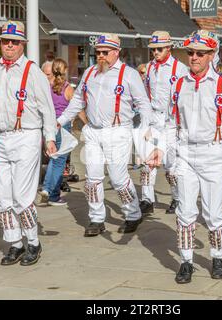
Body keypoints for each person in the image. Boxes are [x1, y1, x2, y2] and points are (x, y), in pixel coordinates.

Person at [162, 30, 222, 283]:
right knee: (185, 211)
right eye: (190, 53)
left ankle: (218, 257)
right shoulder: (178, 84)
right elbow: (169, 122)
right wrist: (163, 149)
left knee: (213, 213)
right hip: (186, 153)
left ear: (211, 55)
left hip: (213, 153)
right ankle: (186, 261)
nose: (194, 57)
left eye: (200, 53)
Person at [0, 21, 57, 266]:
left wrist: (49, 138)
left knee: (21, 195)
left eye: (14, 42)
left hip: (26, 136)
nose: (9, 46)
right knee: (4, 197)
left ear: (22, 44)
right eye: (5, 41)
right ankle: (15, 243)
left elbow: (47, 110)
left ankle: (33, 241)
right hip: (0, 137)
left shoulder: (33, 71)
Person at [57, 33, 155, 237]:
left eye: (105, 52)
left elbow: (144, 104)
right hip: (92, 131)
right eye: (98, 52)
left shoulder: (129, 74)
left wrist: (146, 128)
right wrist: (59, 122)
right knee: (92, 178)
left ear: (116, 52)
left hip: (118, 131)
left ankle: (133, 213)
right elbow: (77, 102)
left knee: (119, 179)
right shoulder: (90, 73)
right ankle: (96, 218)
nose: (100, 56)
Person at [139, 31, 188, 215]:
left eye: (159, 49)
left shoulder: (180, 68)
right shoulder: (150, 67)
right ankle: (147, 199)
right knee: (147, 162)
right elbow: (145, 93)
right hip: (153, 119)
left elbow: (185, 97)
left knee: (171, 165)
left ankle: (176, 198)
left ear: (169, 48)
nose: (156, 53)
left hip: (171, 121)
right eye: (153, 49)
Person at [36, 58, 80, 206]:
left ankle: (49, 191)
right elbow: (77, 109)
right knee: (59, 161)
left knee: (53, 159)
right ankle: (51, 192)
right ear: (65, 70)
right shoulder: (68, 88)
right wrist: (87, 123)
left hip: (48, 126)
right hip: (63, 127)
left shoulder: (47, 87)